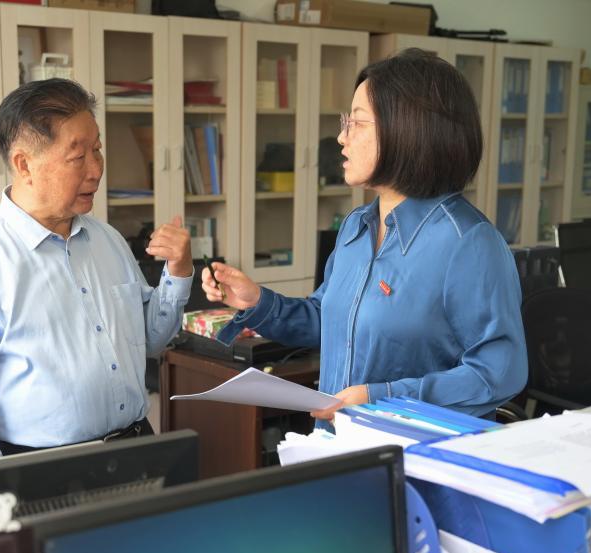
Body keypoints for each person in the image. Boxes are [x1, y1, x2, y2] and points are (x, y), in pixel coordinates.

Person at [204, 49, 527, 420]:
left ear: (408, 131)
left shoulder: (469, 243)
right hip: (339, 441)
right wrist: (258, 302)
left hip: (412, 448)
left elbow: (497, 374)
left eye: (356, 123)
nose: (341, 138)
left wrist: (382, 397)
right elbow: (331, 321)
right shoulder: (356, 227)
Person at [0, 78, 193, 454]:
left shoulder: (107, 240)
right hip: (42, 464)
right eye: (78, 157)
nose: (96, 169)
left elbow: (149, 341)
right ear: (24, 164)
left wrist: (178, 272)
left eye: (97, 150)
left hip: (136, 445)